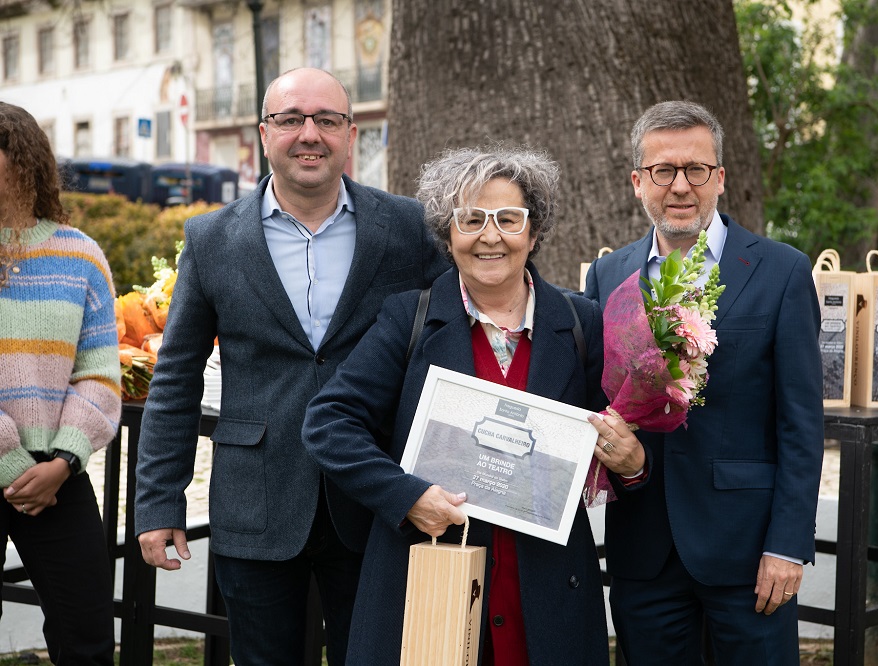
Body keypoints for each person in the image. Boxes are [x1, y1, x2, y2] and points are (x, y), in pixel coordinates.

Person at [133, 68, 449, 665]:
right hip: (256, 505)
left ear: (350, 135)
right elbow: (176, 377)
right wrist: (158, 503)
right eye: (291, 120)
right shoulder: (212, 239)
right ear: (263, 133)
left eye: (327, 120)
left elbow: (449, 344)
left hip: (375, 497)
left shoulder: (409, 229)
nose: (310, 134)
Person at [302, 145, 645, 665]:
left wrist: (633, 464)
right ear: (448, 234)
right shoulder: (408, 320)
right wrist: (407, 496)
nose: (490, 236)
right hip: (430, 585)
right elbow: (329, 424)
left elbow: (612, 442)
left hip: (547, 592)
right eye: (471, 219)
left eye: (509, 219)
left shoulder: (581, 324)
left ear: (533, 232)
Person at [584, 100, 824, 664]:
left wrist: (787, 546)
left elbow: (801, 425)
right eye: (664, 171)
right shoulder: (608, 274)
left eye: (696, 169)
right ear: (637, 182)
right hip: (642, 549)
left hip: (748, 554)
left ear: (720, 177)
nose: (681, 186)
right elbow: (599, 398)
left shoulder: (782, 271)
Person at [0, 101, 121, 665]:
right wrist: (11, 463)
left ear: (22, 161)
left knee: (87, 634)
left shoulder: (79, 257)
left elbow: (99, 375)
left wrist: (63, 461)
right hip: (22, 469)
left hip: (56, 478)